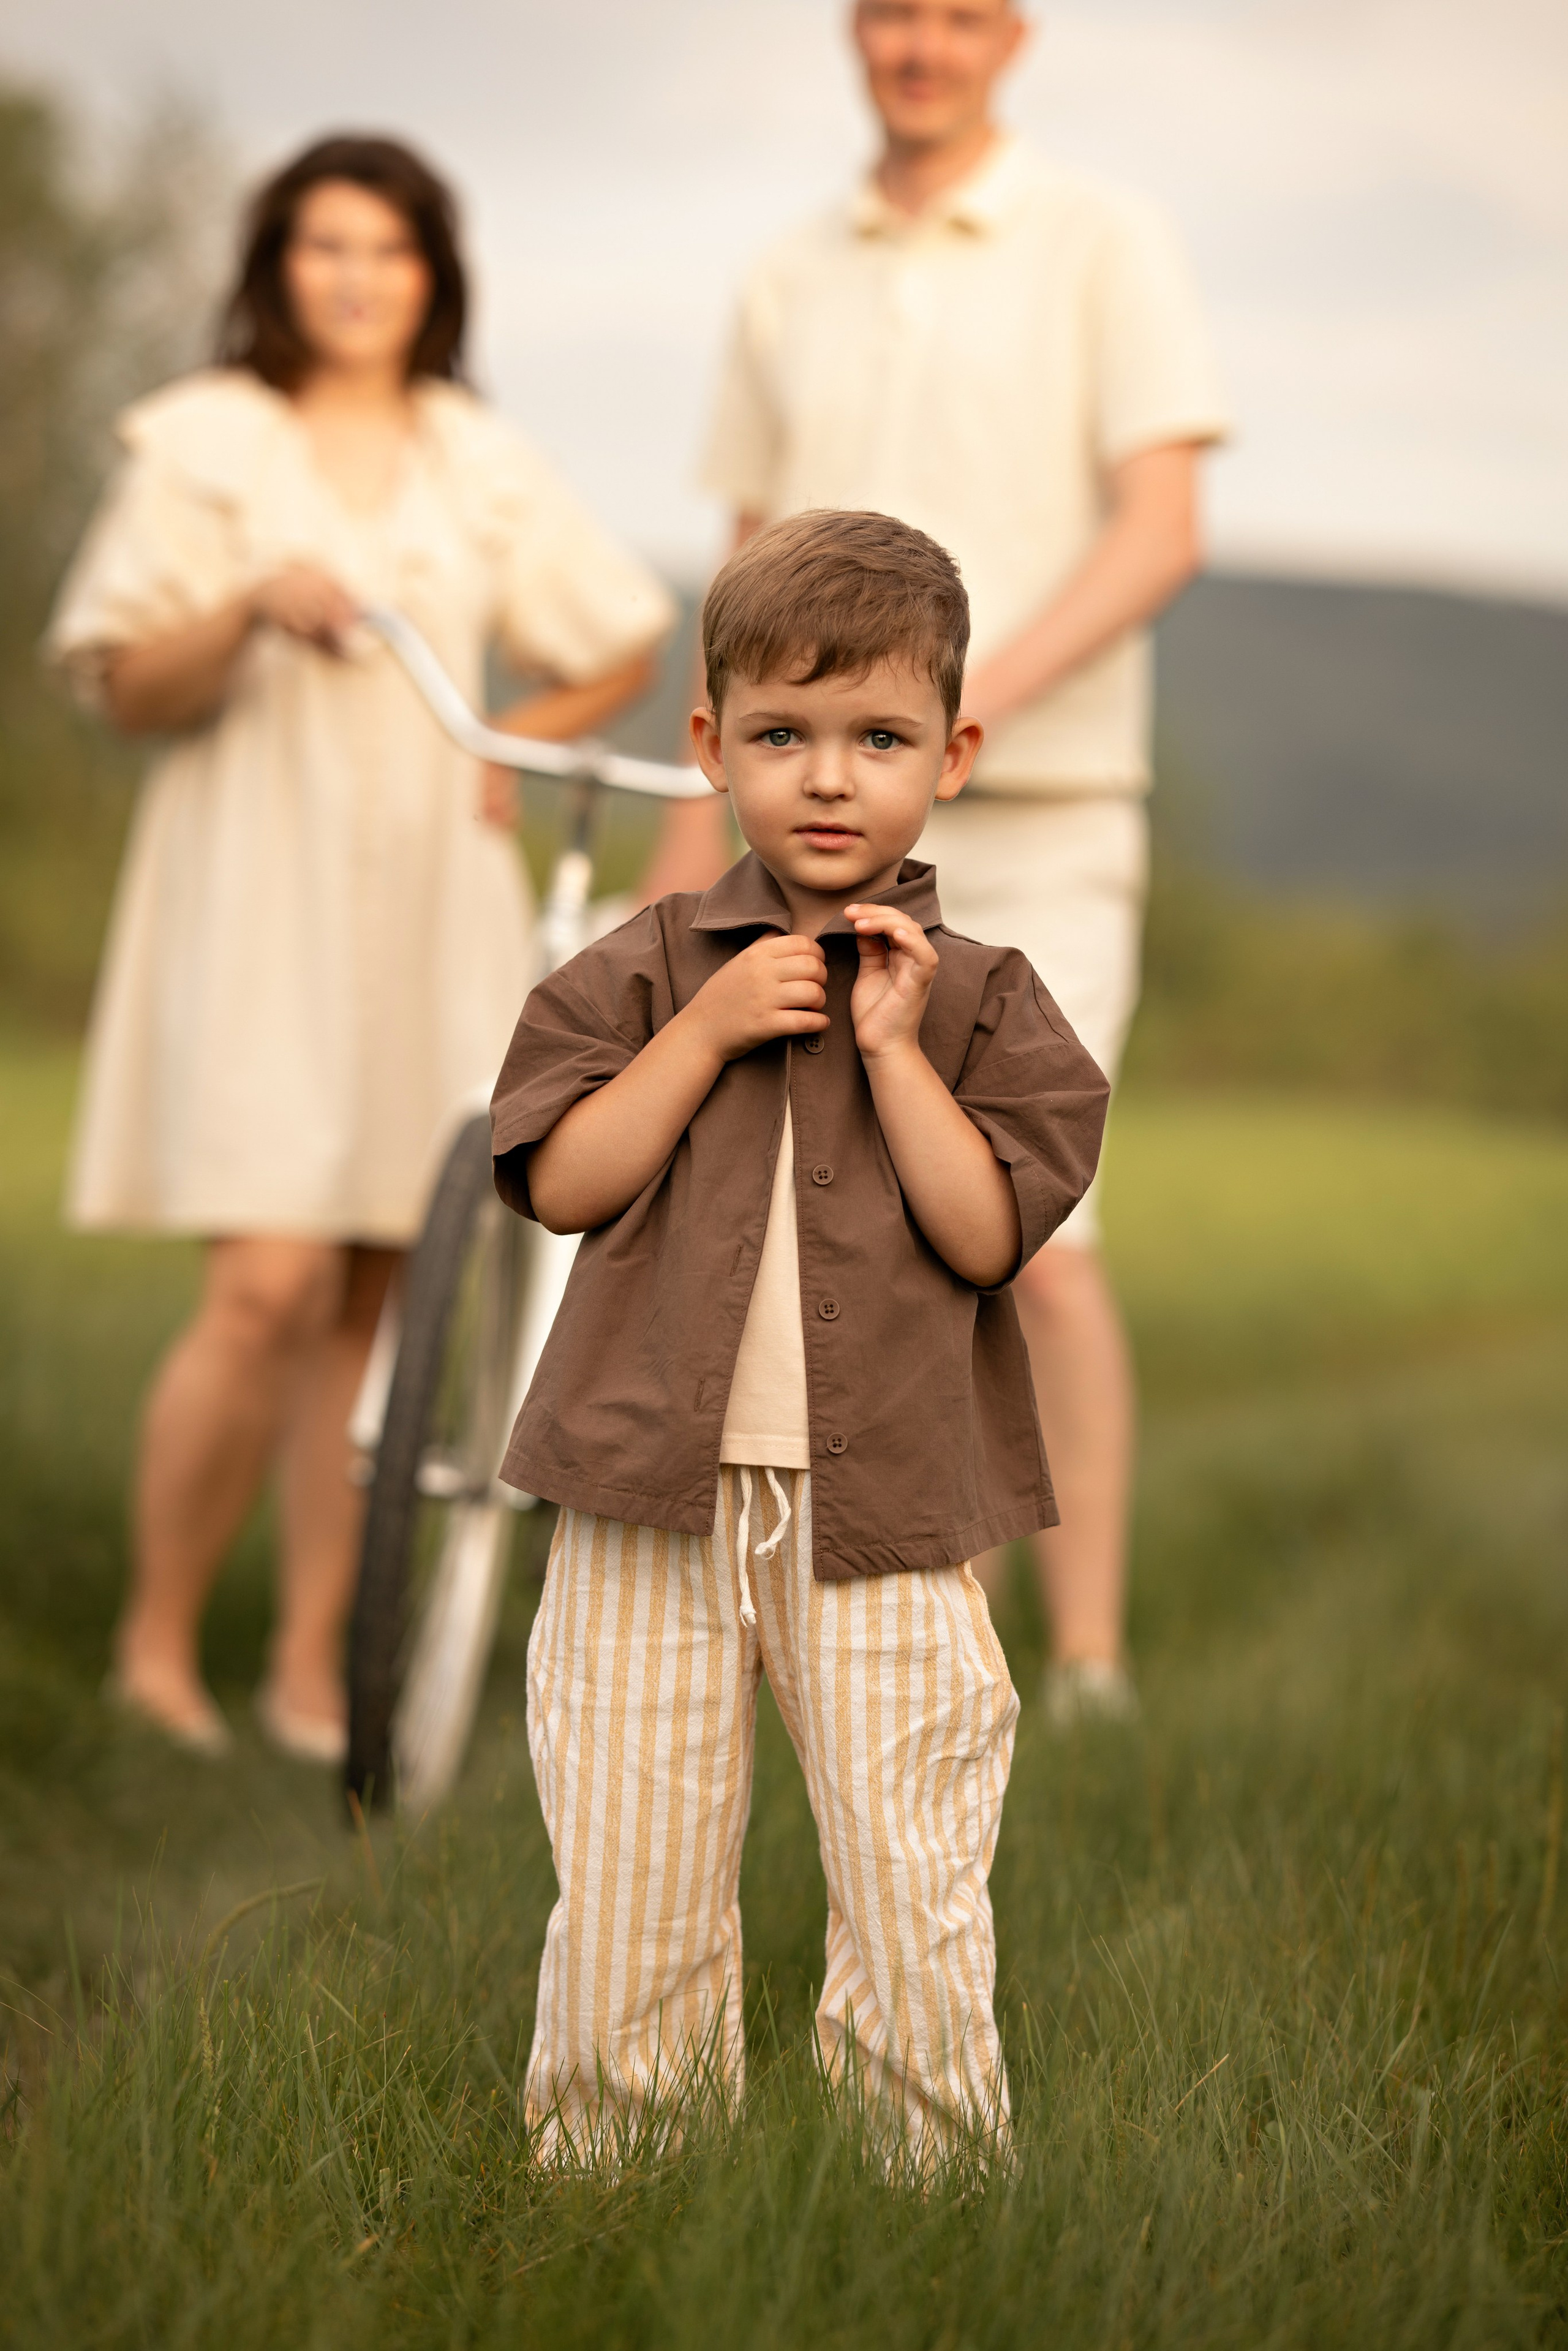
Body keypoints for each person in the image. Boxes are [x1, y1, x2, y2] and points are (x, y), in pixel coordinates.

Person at [46, 134, 675, 1762]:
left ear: (431, 279)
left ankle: (318, 1663)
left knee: (378, 1297)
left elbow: (615, 634)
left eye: (387, 252)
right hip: (256, 889)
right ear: (275, 266)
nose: (354, 279)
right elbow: (127, 686)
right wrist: (251, 601)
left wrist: (505, 744)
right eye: (324, 247)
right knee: (261, 1285)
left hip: (428, 902)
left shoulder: (475, 454)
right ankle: (154, 1647)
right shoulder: (203, 446)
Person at [489, 510, 1108, 2159]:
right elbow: (558, 1181)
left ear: (952, 754)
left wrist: (896, 1053)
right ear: (710, 749)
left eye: (879, 739)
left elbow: (987, 1237)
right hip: (643, 1502)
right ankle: (617, 2170)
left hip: (888, 1511)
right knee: (633, 1859)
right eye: (781, 735)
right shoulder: (633, 975)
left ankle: (923, 2181)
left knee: (912, 1860)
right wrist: (697, 1031)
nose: (829, 779)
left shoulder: (989, 1003)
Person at [646, 0, 1229, 1718]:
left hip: (1039, 818)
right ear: (856, 33)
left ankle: (1091, 1657)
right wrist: (697, 838)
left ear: (1014, 37)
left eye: (960, 14)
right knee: (823, 1217)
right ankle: (878, 1641)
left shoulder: (1103, 240)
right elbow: (744, 571)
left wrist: (953, 722)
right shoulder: (784, 272)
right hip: (813, 831)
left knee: (1036, 1234)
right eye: (895, 12)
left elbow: (1164, 525)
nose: (924, 42)